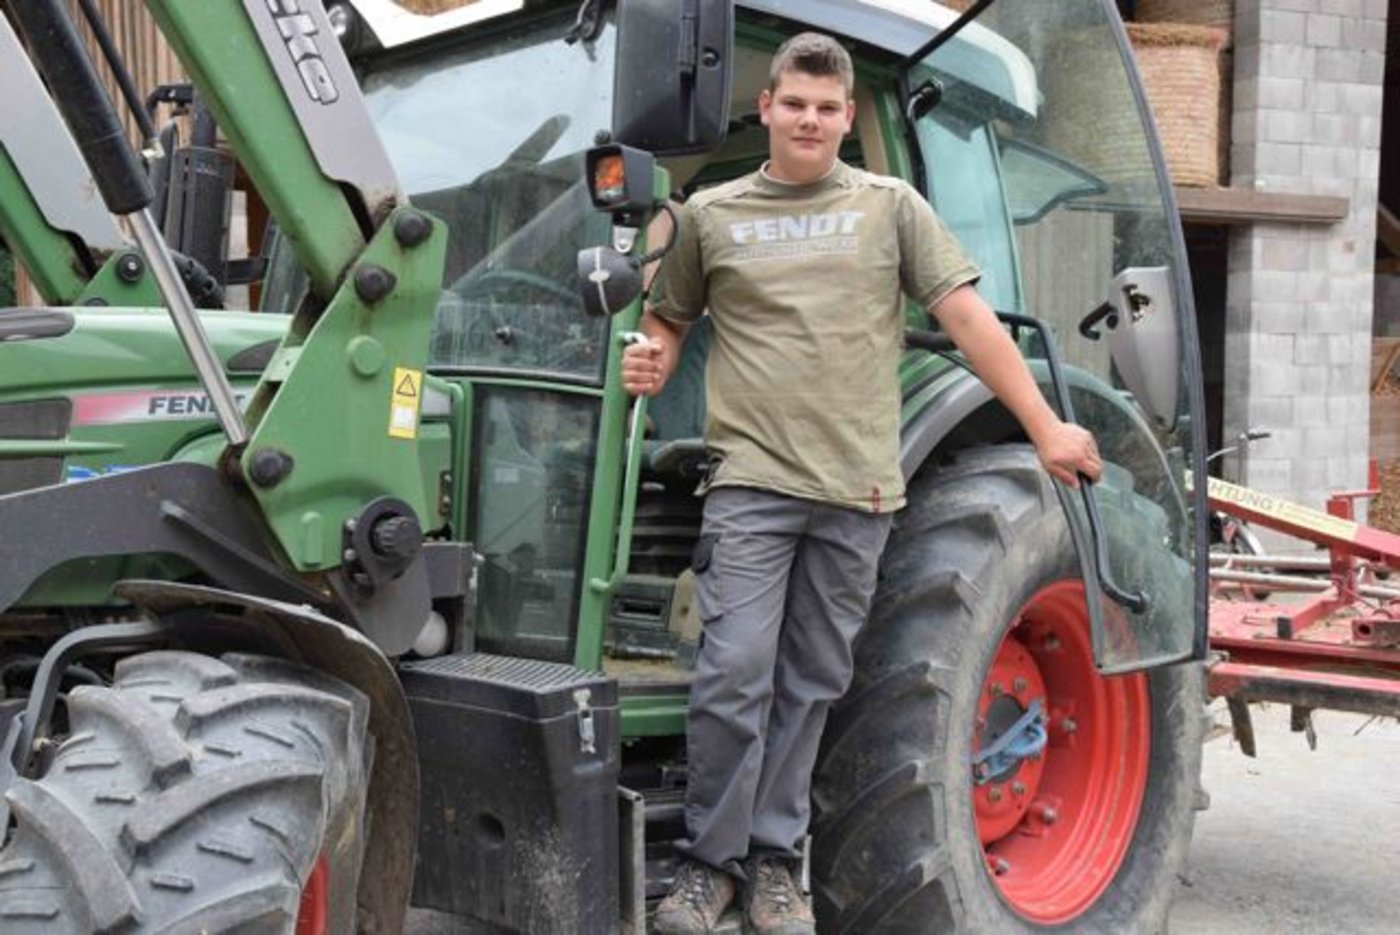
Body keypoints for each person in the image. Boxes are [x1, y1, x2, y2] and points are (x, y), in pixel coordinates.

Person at [623, 32, 1103, 935]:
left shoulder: (891, 208)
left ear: (847, 118)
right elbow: (668, 320)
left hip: (857, 490)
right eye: (794, 103)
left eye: (828, 107)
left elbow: (965, 317)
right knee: (732, 675)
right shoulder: (714, 216)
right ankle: (708, 863)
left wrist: (1044, 425)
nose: (810, 119)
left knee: (810, 681)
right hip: (753, 481)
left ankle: (773, 864)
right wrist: (654, 357)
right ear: (765, 108)